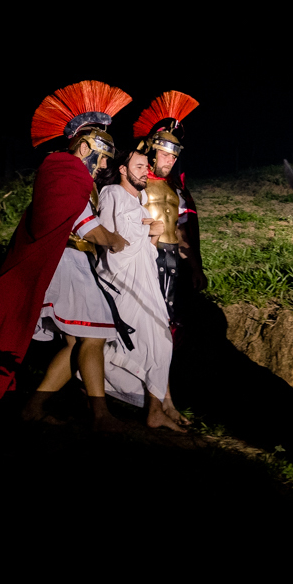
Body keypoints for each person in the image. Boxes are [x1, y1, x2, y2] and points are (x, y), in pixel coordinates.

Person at [0, 80, 133, 433]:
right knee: (93, 336)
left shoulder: (71, 174)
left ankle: (35, 408)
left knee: (80, 340)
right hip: (64, 263)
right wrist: (113, 240)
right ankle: (100, 415)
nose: (104, 164)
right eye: (102, 155)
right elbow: (79, 222)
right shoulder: (65, 169)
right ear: (84, 146)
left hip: (69, 262)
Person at [95, 145, 185, 432]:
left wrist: (153, 237)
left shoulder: (140, 202)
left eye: (146, 167)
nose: (145, 172)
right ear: (122, 169)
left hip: (145, 278)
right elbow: (112, 239)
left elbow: (145, 248)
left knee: (161, 342)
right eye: (138, 167)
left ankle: (159, 408)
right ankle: (95, 393)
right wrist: (148, 230)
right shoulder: (112, 194)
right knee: (134, 343)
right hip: (123, 280)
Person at [131, 90, 204, 423]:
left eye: (175, 154)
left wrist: (195, 267)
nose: (170, 159)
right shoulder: (135, 183)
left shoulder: (176, 189)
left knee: (169, 331)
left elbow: (184, 232)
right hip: (146, 260)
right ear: (151, 150)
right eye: (165, 152)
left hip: (173, 263)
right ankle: (154, 404)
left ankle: (165, 401)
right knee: (152, 330)